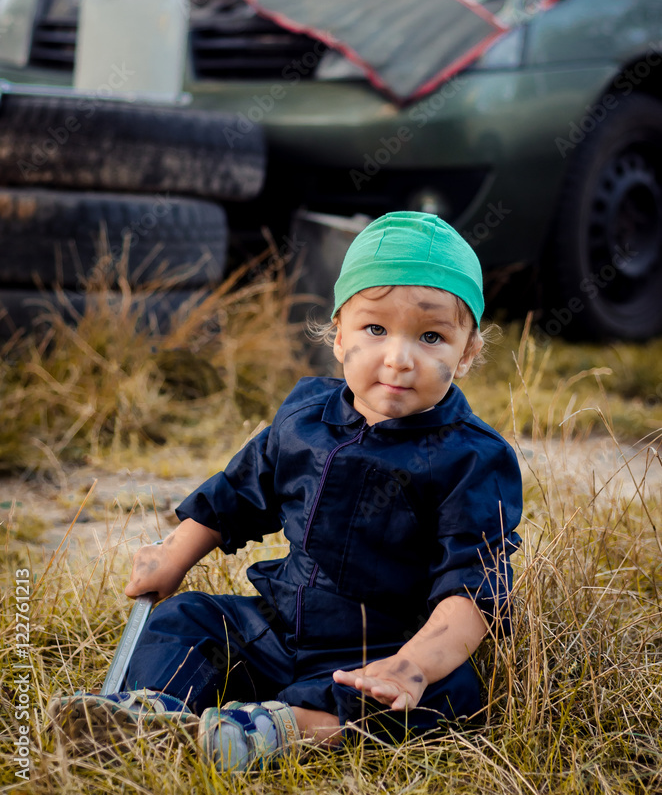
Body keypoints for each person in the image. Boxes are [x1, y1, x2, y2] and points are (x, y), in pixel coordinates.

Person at [49, 211, 523, 771]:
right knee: (186, 619)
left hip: (372, 654)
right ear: (339, 335)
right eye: (375, 330)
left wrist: (412, 665)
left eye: (431, 337)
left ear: (466, 353)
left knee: (450, 695)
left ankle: (279, 731)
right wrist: (173, 554)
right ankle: (153, 713)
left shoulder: (472, 458)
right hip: (276, 628)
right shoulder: (304, 417)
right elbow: (238, 494)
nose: (398, 358)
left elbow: (474, 589)